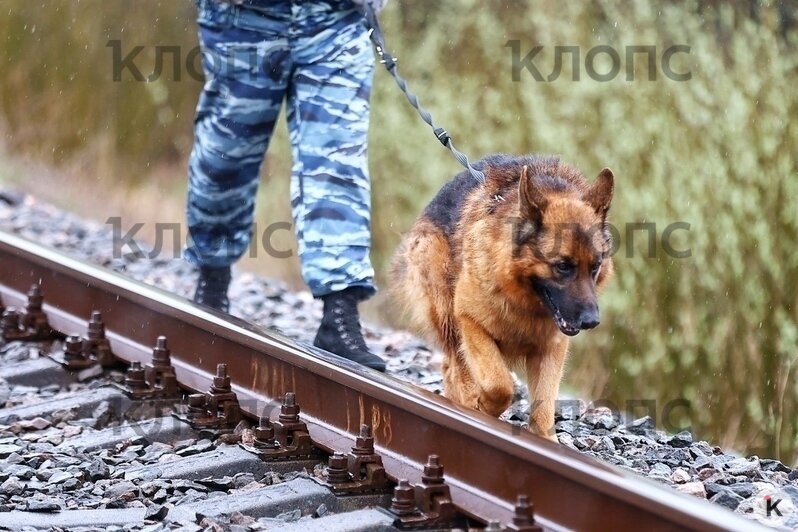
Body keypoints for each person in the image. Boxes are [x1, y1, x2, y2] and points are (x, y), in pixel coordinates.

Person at [184, 0, 388, 372]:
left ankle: (339, 314)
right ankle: (212, 276)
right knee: (224, 159)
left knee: (336, 162)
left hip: (335, 20)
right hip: (243, 21)